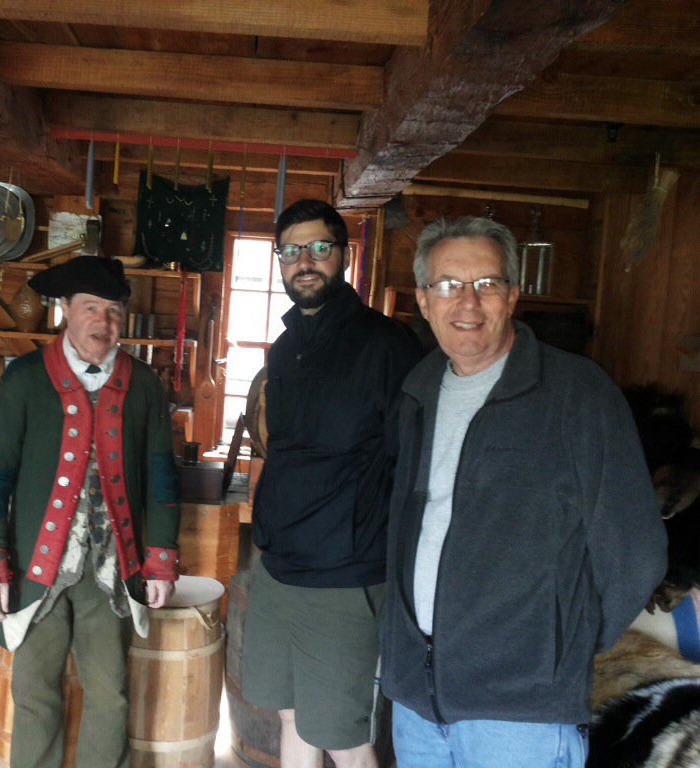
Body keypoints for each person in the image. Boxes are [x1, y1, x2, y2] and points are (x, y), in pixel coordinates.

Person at [381, 215, 668, 768]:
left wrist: (560, 650)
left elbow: (636, 551)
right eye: (448, 284)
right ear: (423, 300)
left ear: (512, 295)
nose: (468, 302)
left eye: (487, 283)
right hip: (417, 702)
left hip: (520, 714)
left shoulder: (577, 393)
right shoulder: (418, 390)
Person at [0, 256, 180, 768]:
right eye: (90, 307)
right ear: (65, 309)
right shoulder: (24, 378)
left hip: (111, 569)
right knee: (35, 694)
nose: (103, 322)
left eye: (114, 311)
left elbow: (161, 478)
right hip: (34, 566)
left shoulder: (144, 384)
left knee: (110, 696)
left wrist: (160, 560)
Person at [242, 199, 423, 768]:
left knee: (344, 736)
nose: (305, 262)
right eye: (291, 251)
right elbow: (280, 451)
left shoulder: (387, 345)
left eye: (319, 248)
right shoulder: (284, 350)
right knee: (290, 714)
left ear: (343, 256)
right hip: (279, 565)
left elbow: (411, 462)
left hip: (345, 575)